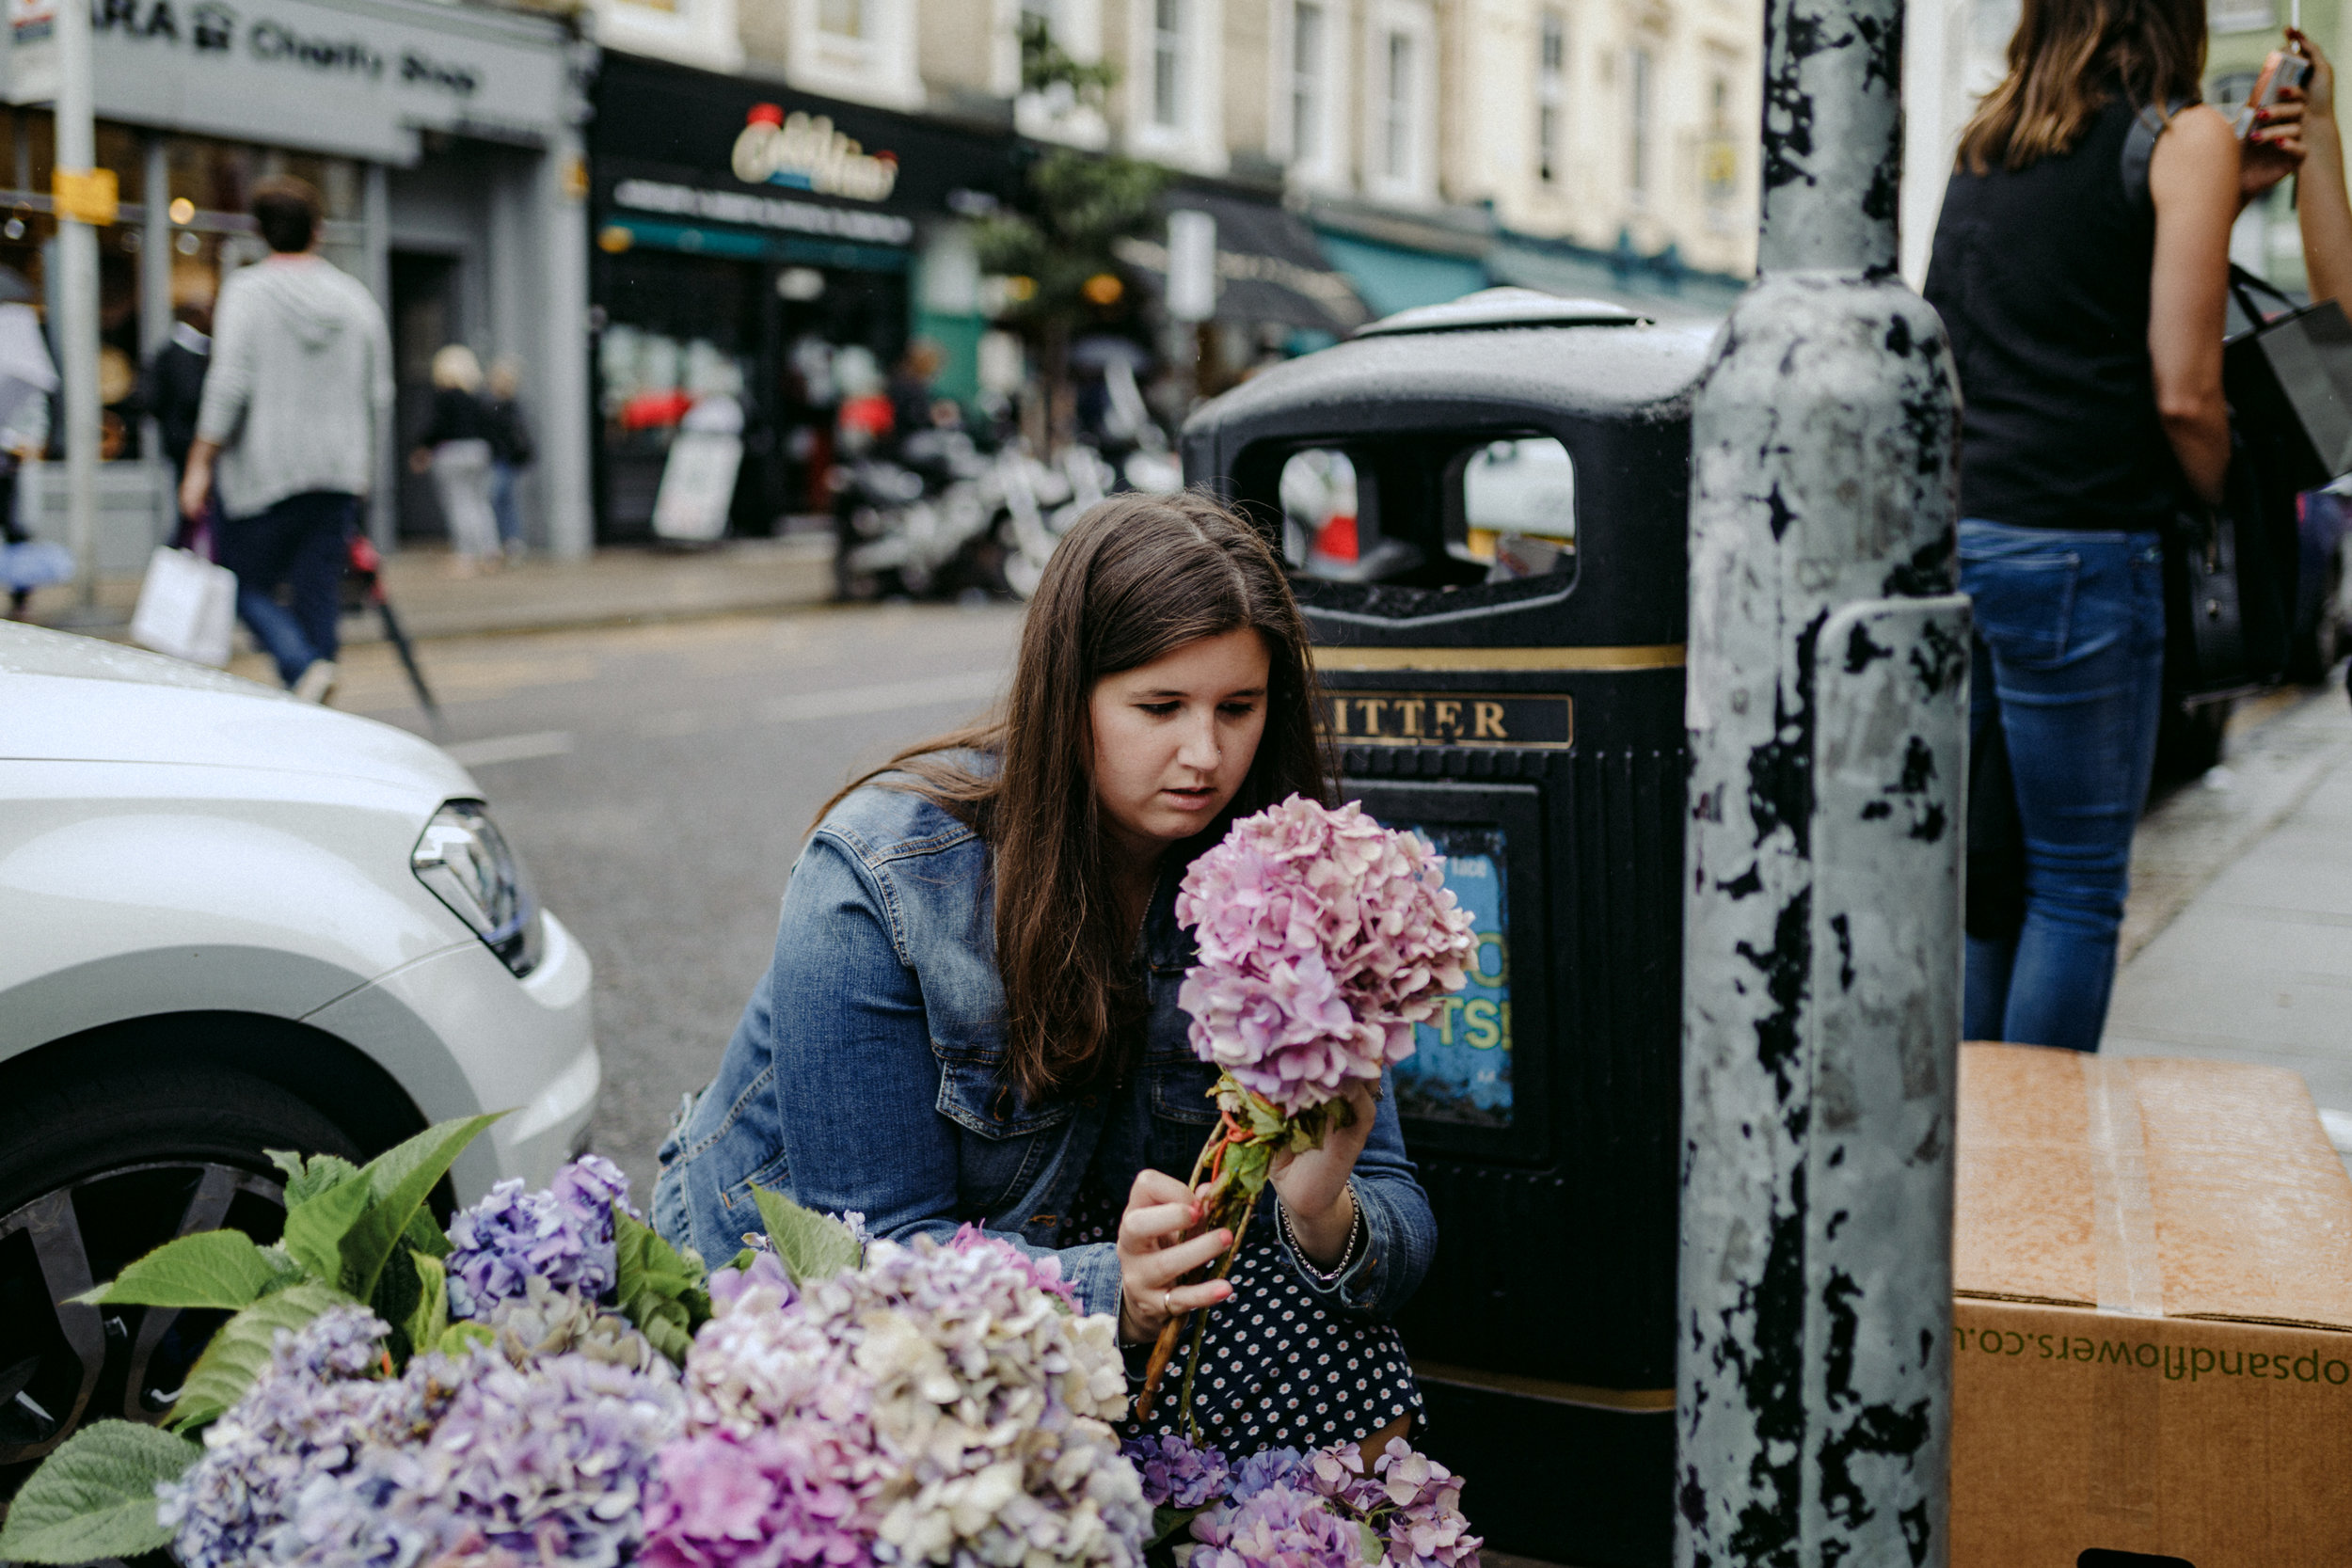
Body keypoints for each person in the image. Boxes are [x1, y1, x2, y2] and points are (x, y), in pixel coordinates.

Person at [653, 493, 1434, 1460]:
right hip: (813, 1308)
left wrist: (1321, 1207)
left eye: (1239, 706)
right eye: (1159, 707)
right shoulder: (879, 881)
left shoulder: (1290, 877)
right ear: (1069, 698)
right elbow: (864, 1260)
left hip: (1102, 1293)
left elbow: (1394, 1220)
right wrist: (1112, 1292)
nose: (1205, 753)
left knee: (1350, 1354)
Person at [1926, 0, 2304, 1049]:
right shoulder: (2181, 137)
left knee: (1985, 873)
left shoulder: (1986, 142)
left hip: (1967, 544)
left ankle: (1974, 1157)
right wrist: (2226, 494)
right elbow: (2185, 395)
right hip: (2082, 551)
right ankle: (2034, 1167)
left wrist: (2221, 193)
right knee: (2077, 886)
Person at [183, 176, 391, 703]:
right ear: (318, 232)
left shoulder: (247, 293)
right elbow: (378, 394)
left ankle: (300, 668)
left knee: (240, 584)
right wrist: (364, 466)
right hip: (338, 471)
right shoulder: (355, 299)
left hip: (264, 471)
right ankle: (316, 688)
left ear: (258, 232)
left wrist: (200, 461)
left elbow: (229, 382)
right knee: (317, 592)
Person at [409, 344, 500, 576]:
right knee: (480, 503)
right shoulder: (476, 396)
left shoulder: (445, 397)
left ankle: (467, 555)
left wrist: (423, 448)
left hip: (453, 453)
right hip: (478, 451)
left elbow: (438, 427)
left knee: (460, 504)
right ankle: (489, 551)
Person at [135, 299, 214, 547]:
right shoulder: (182, 355)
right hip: (187, 441)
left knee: (191, 507)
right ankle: (185, 555)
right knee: (192, 507)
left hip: (180, 439)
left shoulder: (174, 351)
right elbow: (189, 394)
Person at [484, 355, 534, 563]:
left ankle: (506, 544)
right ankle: (508, 543)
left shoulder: (508, 406)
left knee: (497, 500)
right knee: (504, 502)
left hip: (504, 460)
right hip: (499, 460)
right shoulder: (492, 403)